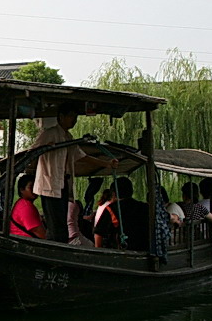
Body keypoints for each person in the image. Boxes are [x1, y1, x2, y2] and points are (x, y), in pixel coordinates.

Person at [30, 102, 117, 242]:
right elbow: (32, 151)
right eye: (71, 116)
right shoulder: (50, 133)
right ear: (61, 117)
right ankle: (54, 248)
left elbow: (82, 156)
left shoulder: (68, 137)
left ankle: (61, 246)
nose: (74, 120)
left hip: (63, 183)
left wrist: (107, 164)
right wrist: (46, 147)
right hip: (49, 185)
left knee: (62, 223)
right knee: (55, 223)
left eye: (75, 117)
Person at [93, 177, 149, 251]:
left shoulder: (111, 208)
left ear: (114, 193)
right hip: (145, 249)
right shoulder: (144, 207)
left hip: (122, 251)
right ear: (131, 191)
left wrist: (99, 250)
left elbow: (98, 233)